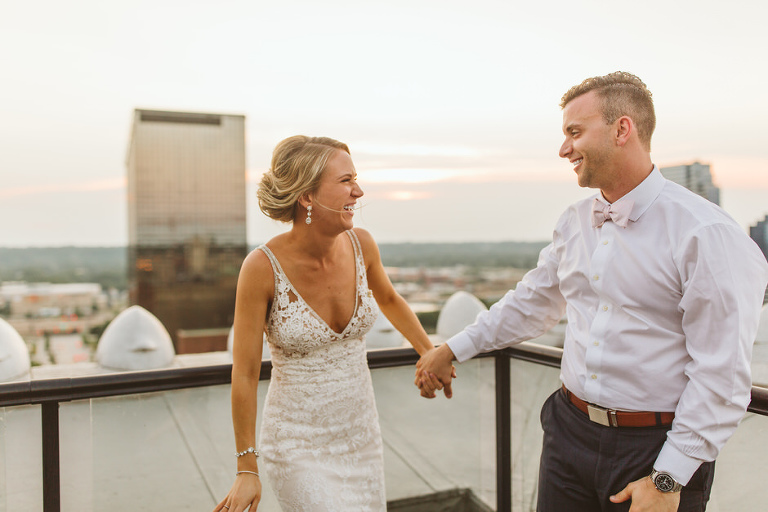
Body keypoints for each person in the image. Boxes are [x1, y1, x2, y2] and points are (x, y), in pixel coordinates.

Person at [416, 72, 768, 511]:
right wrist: (452, 348)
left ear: (622, 129)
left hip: (654, 450)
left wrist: (668, 478)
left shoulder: (708, 234)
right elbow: (531, 303)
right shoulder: (574, 221)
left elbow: (722, 374)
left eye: (574, 132)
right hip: (567, 432)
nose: (564, 149)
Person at [213, 135, 445, 512]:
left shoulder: (362, 245)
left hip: (361, 437)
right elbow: (245, 373)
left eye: (356, 179)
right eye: (345, 181)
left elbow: (389, 299)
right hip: (296, 447)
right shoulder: (260, 268)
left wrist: (429, 353)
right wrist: (246, 468)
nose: (358, 191)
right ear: (307, 196)